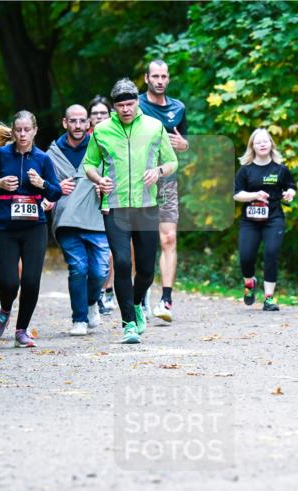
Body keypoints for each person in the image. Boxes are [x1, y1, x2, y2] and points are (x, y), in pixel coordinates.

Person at [84, 78, 177, 344]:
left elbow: (171, 161)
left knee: (146, 269)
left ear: (137, 102)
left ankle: (136, 303)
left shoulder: (154, 126)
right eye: (121, 105)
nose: (126, 109)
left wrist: (158, 171)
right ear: (114, 107)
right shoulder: (101, 131)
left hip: (146, 205)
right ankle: (128, 324)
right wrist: (97, 179)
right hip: (114, 206)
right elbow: (89, 164)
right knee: (123, 262)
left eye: (130, 104)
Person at [0, 111, 62, 348]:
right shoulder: (2, 155)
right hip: (4, 227)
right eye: (18, 130)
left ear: (35, 130)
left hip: (34, 227)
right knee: (9, 283)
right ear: (13, 132)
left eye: (27, 129)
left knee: (32, 281)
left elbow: (55, 192)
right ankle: (5, 310)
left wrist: (42, 184)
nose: (23, 134)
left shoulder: (43, 159)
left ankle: (21, 330)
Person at [46, 104, 110, 336]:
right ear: (65, 123)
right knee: (78, 268)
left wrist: (102, 184)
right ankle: (79, 319)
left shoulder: (100, 148)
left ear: (88, 124)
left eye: (82, 121)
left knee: (100, 270)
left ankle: (92, 302)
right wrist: (55, 188)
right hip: (67, 220)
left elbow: (111, 175)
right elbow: (44, 185)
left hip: (95, 218)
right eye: (73, 121)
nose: (78, 125)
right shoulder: (52, 153)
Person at [138, 59, 189, 323]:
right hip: (138, 181)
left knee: (168, 239)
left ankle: (166, 300)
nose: (160, 80)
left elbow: (184, 142)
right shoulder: (135, 105)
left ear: (168, 79)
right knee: (139, 241)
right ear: (146, 78)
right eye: (155, 76)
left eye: (164, 76)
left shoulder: (178, 108)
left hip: (167, 181)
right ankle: (140, 293)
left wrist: (183, 144)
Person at [234, 128, 296, 311]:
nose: (262, 144)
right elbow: (236, 194)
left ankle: (269, 298)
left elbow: (291, 186)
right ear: (252, 146)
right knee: (246, 257)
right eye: (258, 142)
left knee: (271, 254)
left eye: (265, 141)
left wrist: (289, 194)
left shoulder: (280, 169)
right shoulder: (245, 170)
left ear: (271, 144)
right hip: (250, 221)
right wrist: (254, 195)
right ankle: (249, 283)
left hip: (274, 218)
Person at [88, 95, 115, 316]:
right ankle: (95, 292)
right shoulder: (83, 139)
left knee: (111, 250)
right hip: (87, 204)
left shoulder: (115, 136)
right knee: (94, 251)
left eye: (103, 113)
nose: (99, 117)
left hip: (111, 199)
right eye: (95, 114)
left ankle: (108, 290)